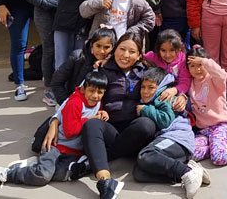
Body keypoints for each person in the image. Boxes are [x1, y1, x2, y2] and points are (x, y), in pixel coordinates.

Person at [45, 32, 187, 199]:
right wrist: (54, 121)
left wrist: (181, 95)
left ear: (139, 55)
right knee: (91, 124)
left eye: (132, 51)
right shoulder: (103, 70)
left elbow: (170, 85)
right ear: (115, 50)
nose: (126, 55)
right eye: (122, 49)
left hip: (137, 132)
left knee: (146, 124)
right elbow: (77, 96)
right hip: (110, 129)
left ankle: (90, 163)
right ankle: (105, 181)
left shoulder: (146, 72)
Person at [0, 71, 108, 189]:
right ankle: (7, 174)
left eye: (100, 92)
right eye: (91, 91)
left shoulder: (97, 103)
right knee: (43, 176)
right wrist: (91, 119)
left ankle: (33, 166)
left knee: (64, 174)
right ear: (83, 89)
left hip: (72, 152)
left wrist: (102, 114)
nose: (95, 96)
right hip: (55, 146)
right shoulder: (75, 103)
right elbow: (70, 132)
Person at [132, 67, 207, 198]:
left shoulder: (164, 97)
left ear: (160, 86)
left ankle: (186, 171)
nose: (145, 91)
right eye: (143, 87)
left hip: (177, 139)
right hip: (167, 143)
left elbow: (165, 121)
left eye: (150, 87)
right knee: (139, 172)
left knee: (146, 155)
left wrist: (145, 109)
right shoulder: (153, 99)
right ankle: (190, 171)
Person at [187, 46, 227, 165]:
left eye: (200, 65)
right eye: (193, 66)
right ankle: (220, 146)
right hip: (203, 131)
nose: (197, 69)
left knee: (218, 157)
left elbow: (222, 74)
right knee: (189, 154)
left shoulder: (214, 80)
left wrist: (203, 61)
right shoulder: (189, 83)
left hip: (220, 127)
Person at [50, 26, 117, 105]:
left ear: (113, 47)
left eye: (106, 47)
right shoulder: (78, 57)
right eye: (98, 46)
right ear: (92, 44)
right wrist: (67, 103)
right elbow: (57, 82)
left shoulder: (115, 63)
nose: (102, 51)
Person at [144, 29, 191, 96]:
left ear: (179, 48)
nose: (167, 55)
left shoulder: (183, 62)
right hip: (156, 93)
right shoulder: (154, 57)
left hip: (175, 94)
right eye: (163, 50)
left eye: (172, 50)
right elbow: (140, 57)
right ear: (158, 49)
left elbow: (185, 82)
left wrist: (175, 90)